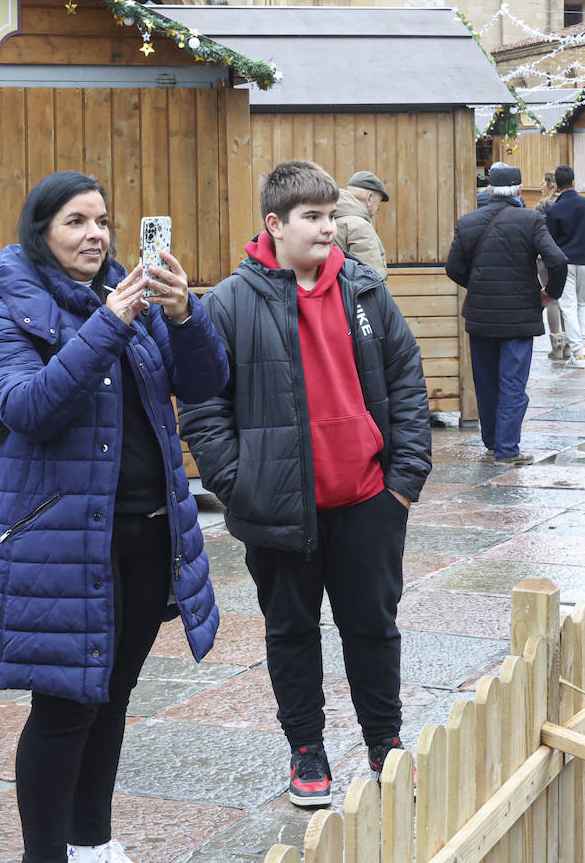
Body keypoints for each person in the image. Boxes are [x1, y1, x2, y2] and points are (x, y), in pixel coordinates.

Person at [0, 171, 226, 863]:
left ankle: (91, 841)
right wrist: (107, 325)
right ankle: (44, 855)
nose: (95, 235)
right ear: (42, 234)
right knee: (65, 704)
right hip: (62, 542)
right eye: (76, 222)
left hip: (147, 535)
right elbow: (26, 407)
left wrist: (185, 315)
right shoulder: (9, 315)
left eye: (102, 221)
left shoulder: (135, 301)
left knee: (112, 694)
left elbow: (206, 382)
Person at [179, 160, 430, 806]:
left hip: (369, 500)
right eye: (313, 218)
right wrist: (237, 485)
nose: (328, 228)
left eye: (331, 216)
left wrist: (401, 483)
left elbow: (405, 380)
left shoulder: (366, 291)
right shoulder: (229, 303)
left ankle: (384, 742)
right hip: (278, 510)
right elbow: (204, 405)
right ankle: (306, 750)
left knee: (373, 629)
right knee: (290, 633)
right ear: (275, 224)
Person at [448, 163, 567, 466]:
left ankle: (492, 444)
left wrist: (479, 286)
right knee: (512, 384)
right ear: (517, 189)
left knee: (486, 383)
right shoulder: (531, 220)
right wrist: (550, 292)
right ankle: (507, 449)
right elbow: (556, 259)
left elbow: (453, 268)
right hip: (519, 318)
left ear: (488, 189)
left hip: (481, 317)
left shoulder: (468, 222)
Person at [544, 165, 585, 368]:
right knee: (584, 304)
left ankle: (577, 354)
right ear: (574, 182)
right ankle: (584, 347)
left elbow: (549, 240)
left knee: (567, 307)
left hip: (564, 262)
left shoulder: (554, 209)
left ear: (557, 185)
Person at [533, 171, 566, 360]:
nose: (540, 187)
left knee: (552, 298)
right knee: (568, 302)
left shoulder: (542, 206)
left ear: (551, 185)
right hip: (568, 257)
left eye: (542, 183)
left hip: (546, 258)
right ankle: (569, 344)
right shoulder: (568, 203)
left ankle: (557, 346)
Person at [333, 170, 389, 275]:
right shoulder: (359, 226)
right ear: (369, 198)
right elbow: (371, 278)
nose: (378, 208)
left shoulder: (329, 219)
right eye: (379, 203)